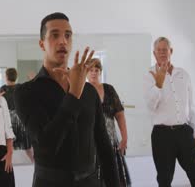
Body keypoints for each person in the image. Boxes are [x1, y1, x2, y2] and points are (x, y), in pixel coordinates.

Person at [14, 12, 119, 187]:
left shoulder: (90, 91)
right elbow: (47, 146)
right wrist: (74, 94)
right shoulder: (26, 92)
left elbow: (104, 147)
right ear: (42, 44)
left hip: (90, 182)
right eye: (55, 35)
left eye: (68, 36)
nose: (63, 41)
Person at [144, 37, 195, 187]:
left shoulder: (183, 74)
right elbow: (150, 106)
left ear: (171, 51)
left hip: (184, 132)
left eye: (165, 49)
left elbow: (191, 107)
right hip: (162, 134)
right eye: (159, 50)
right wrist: (158, 84)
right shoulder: (149, 75)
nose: (162, 53)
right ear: (154, 53)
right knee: (164, 179)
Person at [87, 58, 131, 186]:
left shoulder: (109, 89)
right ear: (86, 72)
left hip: (111, 143)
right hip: (91, 145)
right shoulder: (83, 90)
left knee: (116, 180)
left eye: (97, 70)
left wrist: (124, 138)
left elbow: (120, 115)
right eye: (91, 70)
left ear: (100, 72)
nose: (94, 73)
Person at [0, 68, 34, 163]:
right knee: (27, 147)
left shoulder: (2, 89)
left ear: (6, 77)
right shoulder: (21, 87)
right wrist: (32, 80)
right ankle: (34, 162)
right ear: (16, 76)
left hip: (8, 121)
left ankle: (6, 164)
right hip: (21, 120)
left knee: (8, 145)